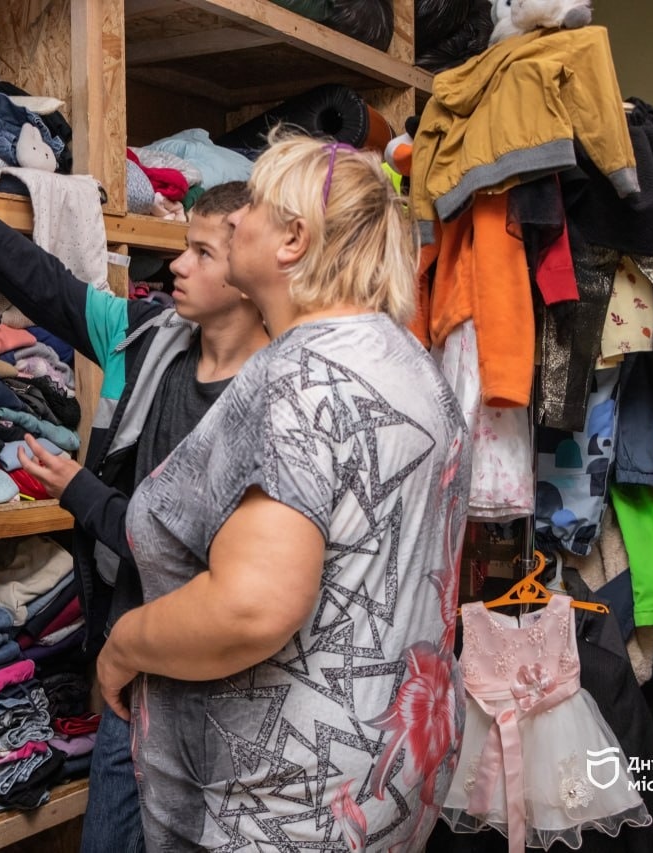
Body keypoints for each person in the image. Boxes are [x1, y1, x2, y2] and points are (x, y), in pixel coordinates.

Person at [0, 137, 270, 853]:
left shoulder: (272, 397)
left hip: (224, 679)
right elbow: (37, 279)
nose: (176, 265)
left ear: (251, 273)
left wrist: (80, 493)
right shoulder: (143, 336)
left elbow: (199, 558)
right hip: (133, 669)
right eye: (182, 246)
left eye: (202, 253)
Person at [94, 135, 472, 850]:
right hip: (382, 785)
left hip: (279, 805)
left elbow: (250, 606)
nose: (237, 218)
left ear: (293, 239)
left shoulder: (296, 379)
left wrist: (123, 646)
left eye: (257, 206)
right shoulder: (408, 361)